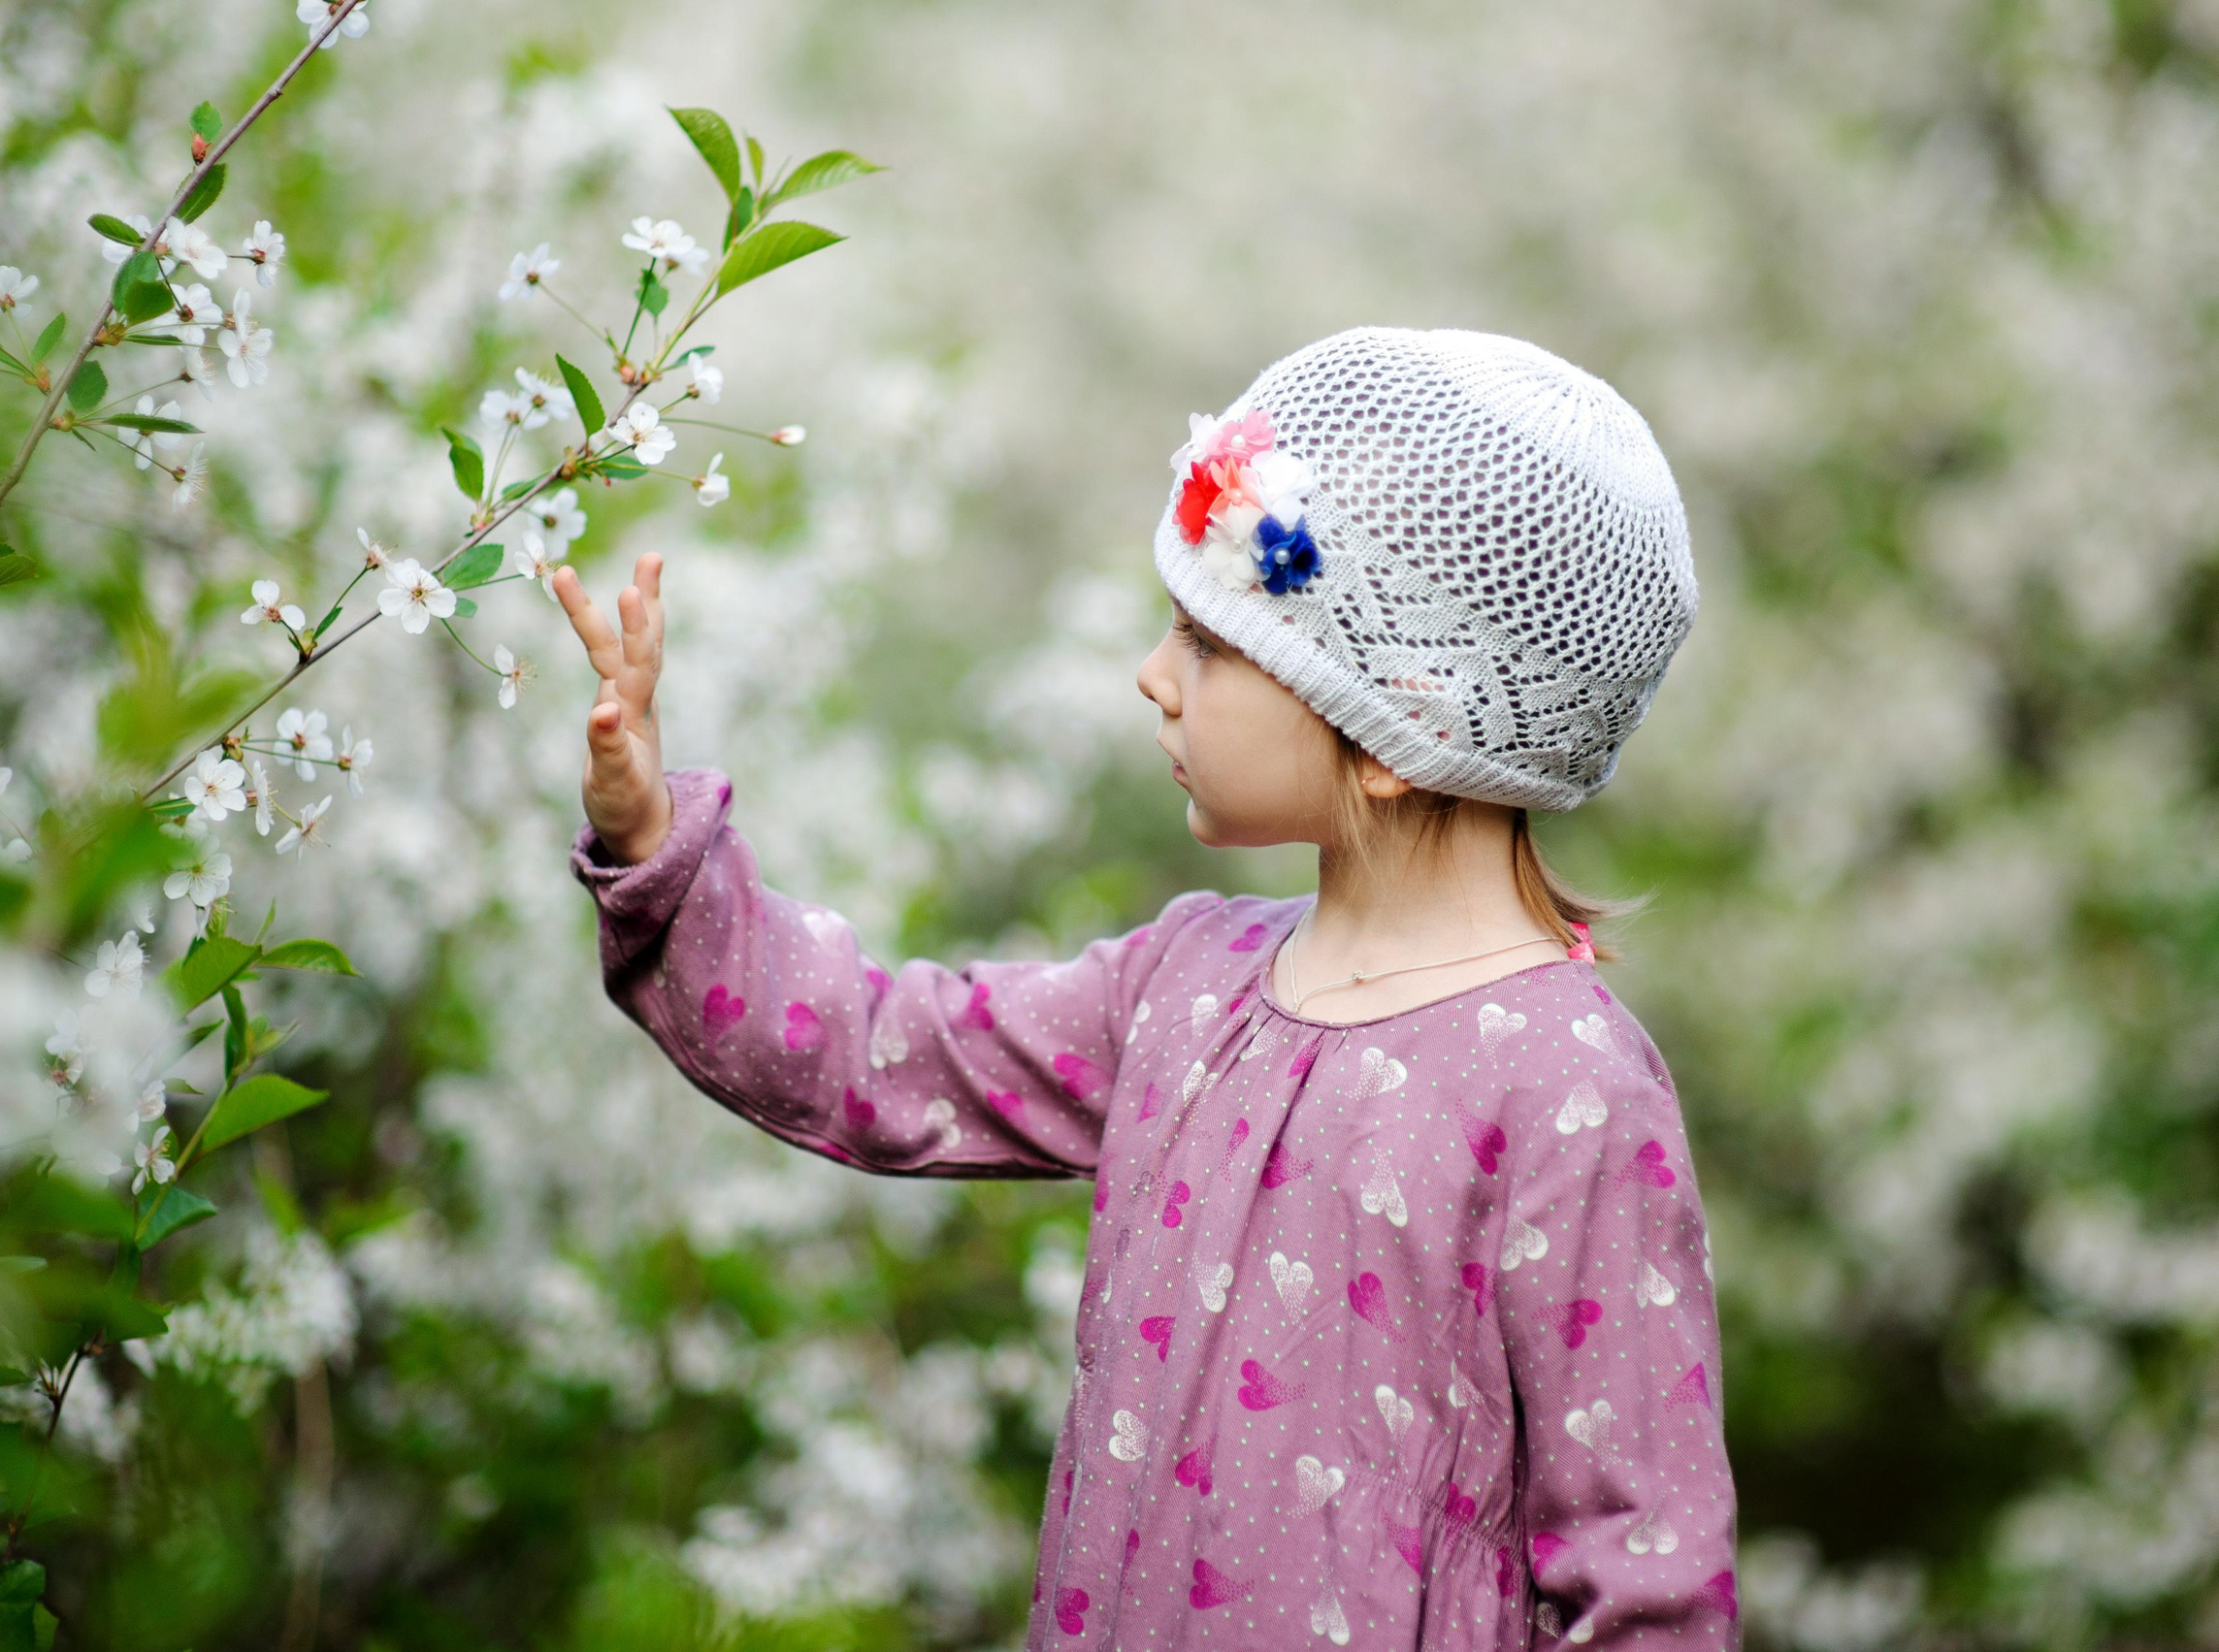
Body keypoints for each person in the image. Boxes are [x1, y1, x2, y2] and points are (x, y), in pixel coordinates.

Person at [558, 326, 1738, 1649]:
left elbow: (1647, 1580)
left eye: (1208, 640)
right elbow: (875, 1053)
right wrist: (658, 842)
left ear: (1407, 720)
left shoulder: (1568, 1087)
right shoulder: (1185, 986)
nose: (1151, 675)